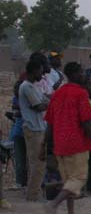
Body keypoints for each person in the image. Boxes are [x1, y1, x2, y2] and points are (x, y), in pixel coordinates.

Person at [42, 62, 91, 214]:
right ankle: (53, 204)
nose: (85, 75)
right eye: (82, 72)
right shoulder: (80, 94)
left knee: (68, 181)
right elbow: (86, 122)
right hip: (76, 143)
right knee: (78, 178)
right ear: (76, 74)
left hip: (59, 144)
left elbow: (50, 123)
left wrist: (43, 145)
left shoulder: (57, 94)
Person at [19, 61, 49, 201]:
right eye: (40, 71)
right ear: (33, 71)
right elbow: (39, 106)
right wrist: (48, 103)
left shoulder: (34, 87)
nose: (41, 74)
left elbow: (45, 101)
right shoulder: (27, 87)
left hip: (38, 128)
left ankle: (34, 193)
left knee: (37, 163)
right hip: (33, 129)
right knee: (38, 163)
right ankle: (33, 194)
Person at [9, 80, 27, 188]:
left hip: (25, 132)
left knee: (25, 161)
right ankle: (21, 183)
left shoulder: (24, 99)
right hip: (20, 132)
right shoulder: (17, 99)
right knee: (20, 161)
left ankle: (24, 183)